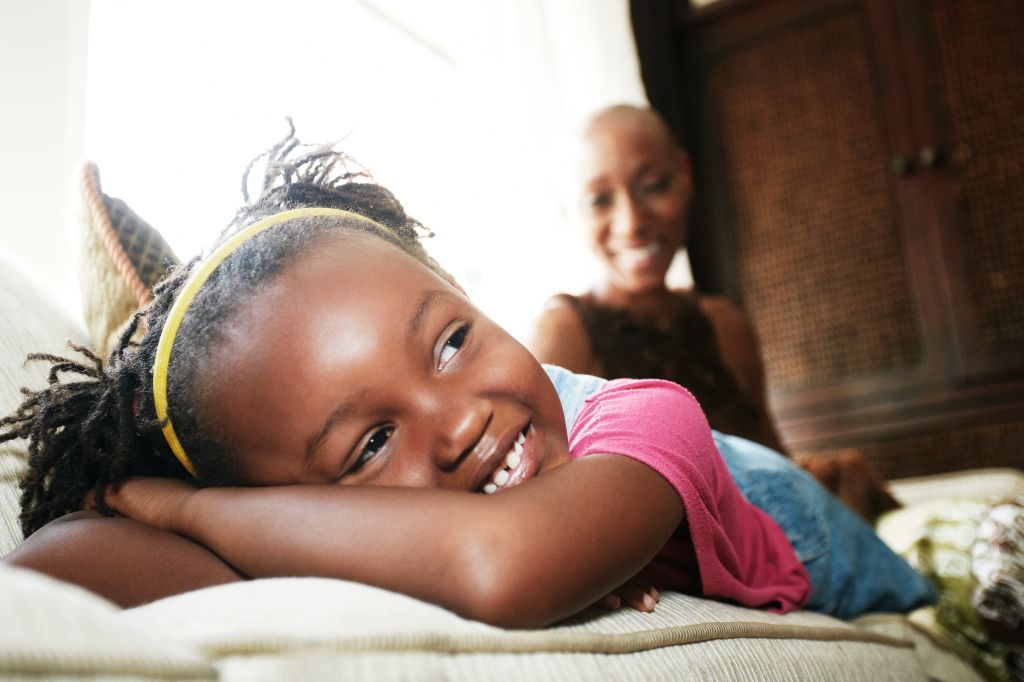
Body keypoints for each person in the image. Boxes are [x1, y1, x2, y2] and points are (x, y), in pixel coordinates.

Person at [0, 127, 934, 628]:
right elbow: (49, 573)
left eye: (451, 341)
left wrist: (188, 511)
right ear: (296, 505)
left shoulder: (650, 419)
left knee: (926, 571)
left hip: (781, 516)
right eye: (368, 444)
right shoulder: (316, 526)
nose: (458, 424)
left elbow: (503, 563)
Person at [529, 104, 899, 522]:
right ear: (569, 211)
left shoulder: (725, 324)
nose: (631, 223)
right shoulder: (565, 333)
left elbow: (771, 462)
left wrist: (821, 481)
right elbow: (553, 511)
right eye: (599, 200)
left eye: (653, 185)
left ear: (685, 176)